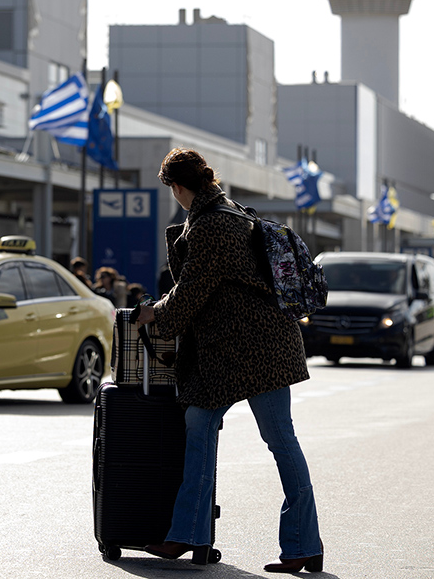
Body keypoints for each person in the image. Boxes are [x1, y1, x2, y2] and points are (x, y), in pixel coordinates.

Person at [134, 148, 322, 573]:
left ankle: (200, 536)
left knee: (229, 432)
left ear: (179, 187)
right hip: (261, 348)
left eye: (173, 191)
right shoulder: (233, 211)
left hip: (244, 353)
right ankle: (196, 535)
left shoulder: (211, 225)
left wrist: (153, 313)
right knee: (257, 437)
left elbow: (190, 293)